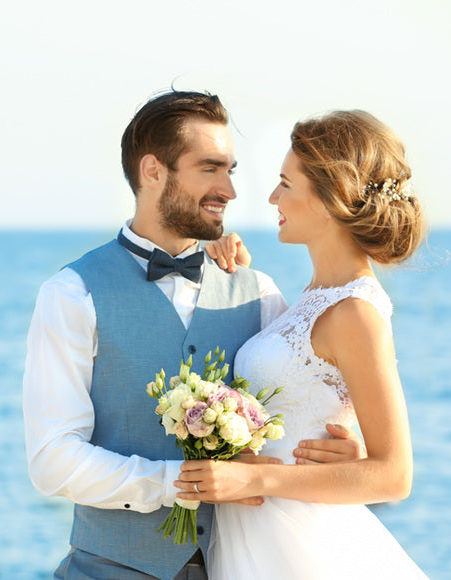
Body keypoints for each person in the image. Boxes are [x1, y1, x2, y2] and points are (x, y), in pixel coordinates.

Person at [22, 91, 365, 580]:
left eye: (231, 169)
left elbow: (300, 409)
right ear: (153, 171)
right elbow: (52, 460)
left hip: (239, 566)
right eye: (210, 168)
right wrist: (178, 484)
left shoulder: (258, 293)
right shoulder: (72, 294)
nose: (229, 189)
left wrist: (341, 456)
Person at [176, 110, 429, 578]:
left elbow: (394, 475)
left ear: (331, 200)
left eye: (285, 184)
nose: (272, 197)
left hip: (301, 546)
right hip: (262, 539)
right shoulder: (312, 301)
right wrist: (231, 279)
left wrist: (253, 476)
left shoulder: (356, 312)